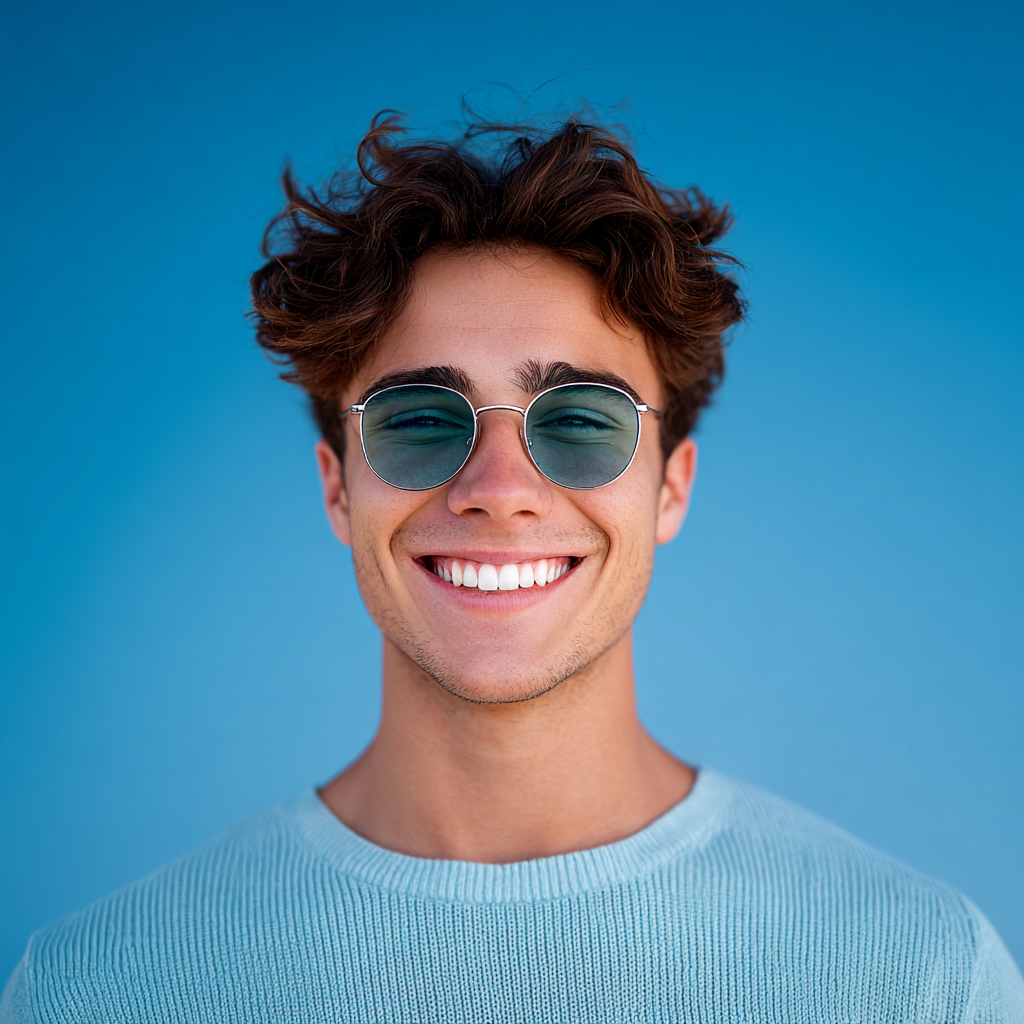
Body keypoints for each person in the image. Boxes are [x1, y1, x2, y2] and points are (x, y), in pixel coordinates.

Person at [3, 113, 1022, 1024]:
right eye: (417, 420)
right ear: (335, 487)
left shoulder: (917, 977)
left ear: (670, 486)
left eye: (577, 420)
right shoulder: (99, 990)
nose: (500, 485)